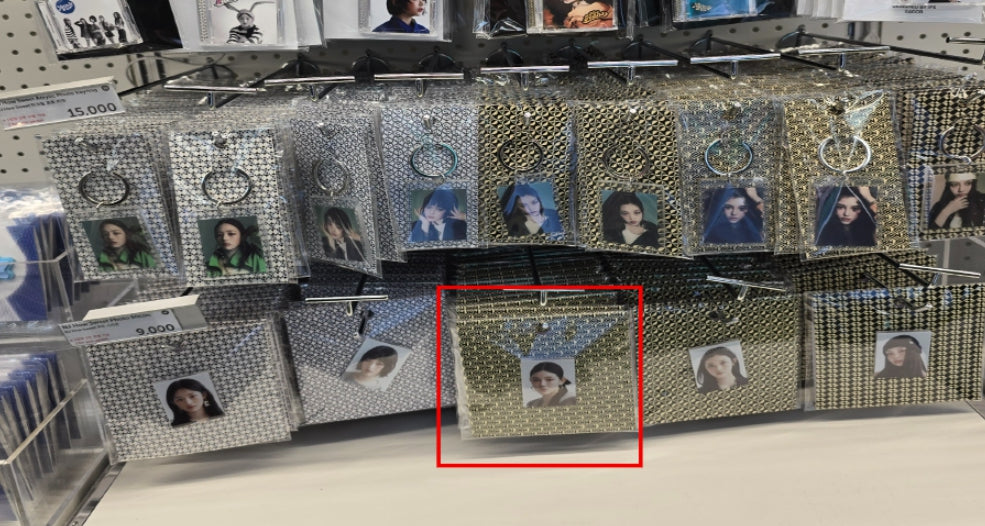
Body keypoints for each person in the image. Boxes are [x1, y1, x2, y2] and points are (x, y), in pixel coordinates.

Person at [499, 183, 564, 238]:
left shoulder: (554, 214)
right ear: (518, 207)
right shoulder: (515, 226)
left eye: (534, 202)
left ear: (539, 201)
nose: (531, 208)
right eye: (524, 205)